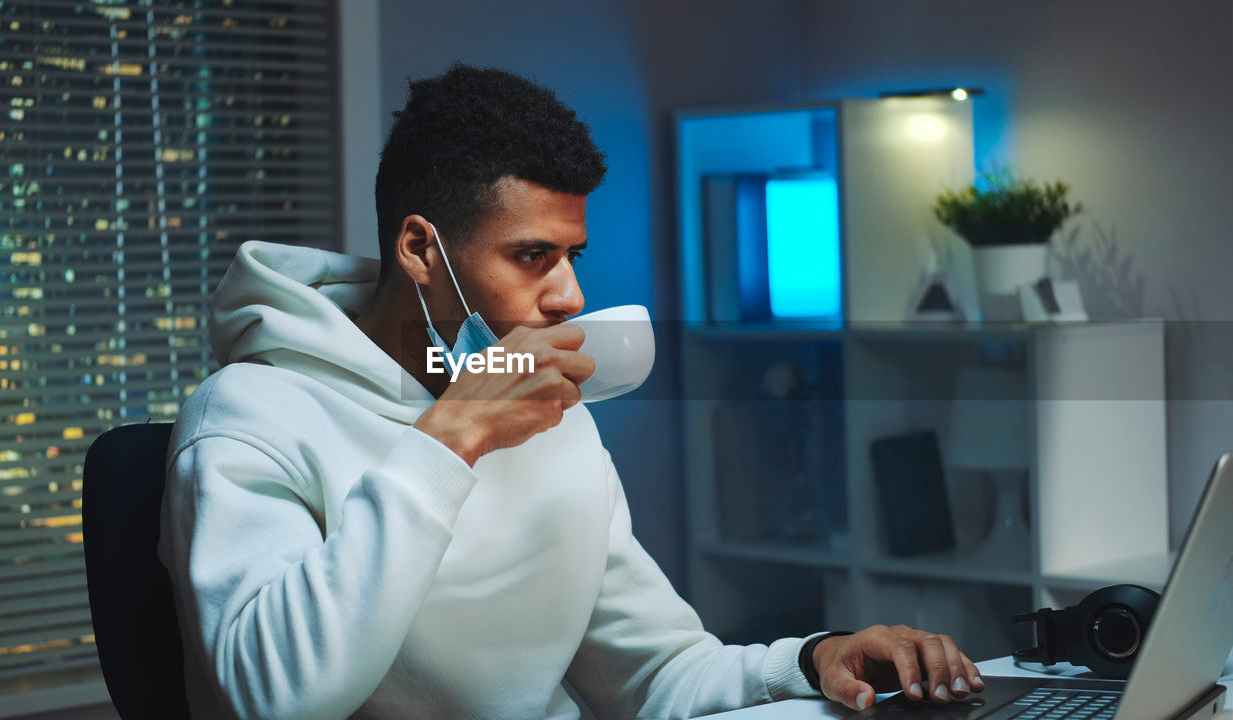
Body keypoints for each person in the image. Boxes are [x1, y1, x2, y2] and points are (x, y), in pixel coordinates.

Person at [158, 63, 986, 720]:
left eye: (572, 256)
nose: (569, 298)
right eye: (530, 256)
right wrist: (448, 440)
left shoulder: (552, 420)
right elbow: (272, 698)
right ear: (420, 248)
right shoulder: (247, 417)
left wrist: (812, 660)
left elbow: (657, 677)